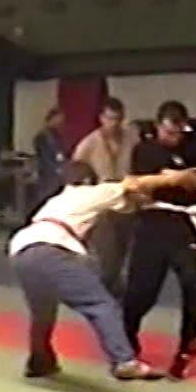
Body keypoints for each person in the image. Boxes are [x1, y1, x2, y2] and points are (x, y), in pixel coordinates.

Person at [9, 161, 196, 381]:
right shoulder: (93, 192)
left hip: (21, 251)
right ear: (89, 180)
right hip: (50, 250)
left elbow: (125, 203)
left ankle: (40, 361)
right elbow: (133, 184)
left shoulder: (56, 200)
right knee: (101, 304)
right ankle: (124, 361)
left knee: (43, 311)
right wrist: (176, 178)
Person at [123, 100, 196, 380]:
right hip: (153, 222)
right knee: (141, 291)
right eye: (168, 132)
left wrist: (192, 180)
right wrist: (174, 179)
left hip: (184, 223)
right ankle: (126, 338)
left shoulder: (195, 147)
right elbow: (135, 185)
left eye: (177, 133)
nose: (173, 138)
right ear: (158, 126)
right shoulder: (144, 150)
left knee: (192, 282)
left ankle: (187, 346)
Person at [73, 97, 142, 297]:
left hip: (128, 204)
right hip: (102, 208)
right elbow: (74, 172)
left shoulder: (133, 138)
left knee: (121, 257)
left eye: (118, 119)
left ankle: (112, 297)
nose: (114, 124)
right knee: (108, 259)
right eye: (110, 119)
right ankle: (98, 296)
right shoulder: (88, 144)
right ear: (101, 118)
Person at [33, 108, 68, 204]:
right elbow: (44, 156)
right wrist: (56, 168)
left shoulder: (56, 135)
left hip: (57, 171)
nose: (61, 122)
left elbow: (60, 151)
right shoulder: (42, 136)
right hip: (47, 172)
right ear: (53, 118)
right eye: (59, 118)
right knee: (46, 195)